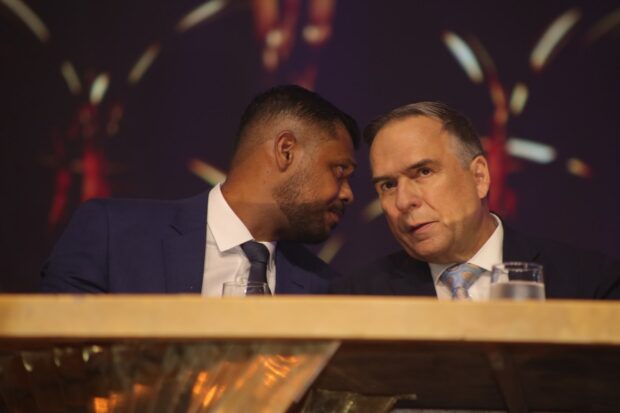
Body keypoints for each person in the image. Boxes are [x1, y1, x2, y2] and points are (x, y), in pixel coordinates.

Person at [41, 84, 359, 295]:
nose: (348, 194)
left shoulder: (327, 290)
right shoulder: (113, 234)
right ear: (285, 151)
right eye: (339, 171)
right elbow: (53, 358)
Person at [331, 101, 620, 299]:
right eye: (388, 185)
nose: (404, 201)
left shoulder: (589, 283)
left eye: (424, 172)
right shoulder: (357, 299)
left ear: (479, 176)